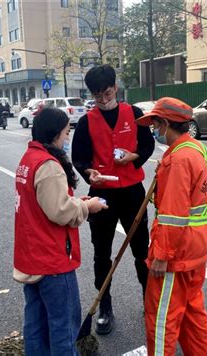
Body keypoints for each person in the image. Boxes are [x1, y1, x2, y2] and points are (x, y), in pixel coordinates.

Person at [14, 108, 107, 355]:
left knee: (35, 324)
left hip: (31, 257)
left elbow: (46, 203)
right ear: (55, 134)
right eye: (66, 133)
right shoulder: (49, 165)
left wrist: (75, 201)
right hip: (52, 259)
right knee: (63, 328)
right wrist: (87, 206)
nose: (67, 139)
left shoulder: (29, 159)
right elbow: (61, 213)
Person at [71, 64, 155, 334]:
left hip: (132, 191)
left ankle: (148, 299)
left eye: (107, 93)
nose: (104, 100)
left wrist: (135, 157)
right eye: (98, 96)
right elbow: (79, 157)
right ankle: (104, 305)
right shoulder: (86, 121)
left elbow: (147, 144)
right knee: (102, 252)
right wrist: (88, 172)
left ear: (115, 88)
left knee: (142, 249)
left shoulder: (135, 114)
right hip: (102, 193)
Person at [135, 97, 207, 356]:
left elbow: (172, 214)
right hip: (197, 245)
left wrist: (161, 255)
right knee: (193, 314)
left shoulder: (178, 160)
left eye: (155, 125)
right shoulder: (197, 150)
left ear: (166, 123)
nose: (154, 131)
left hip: (176, 253)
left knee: (161, 319)